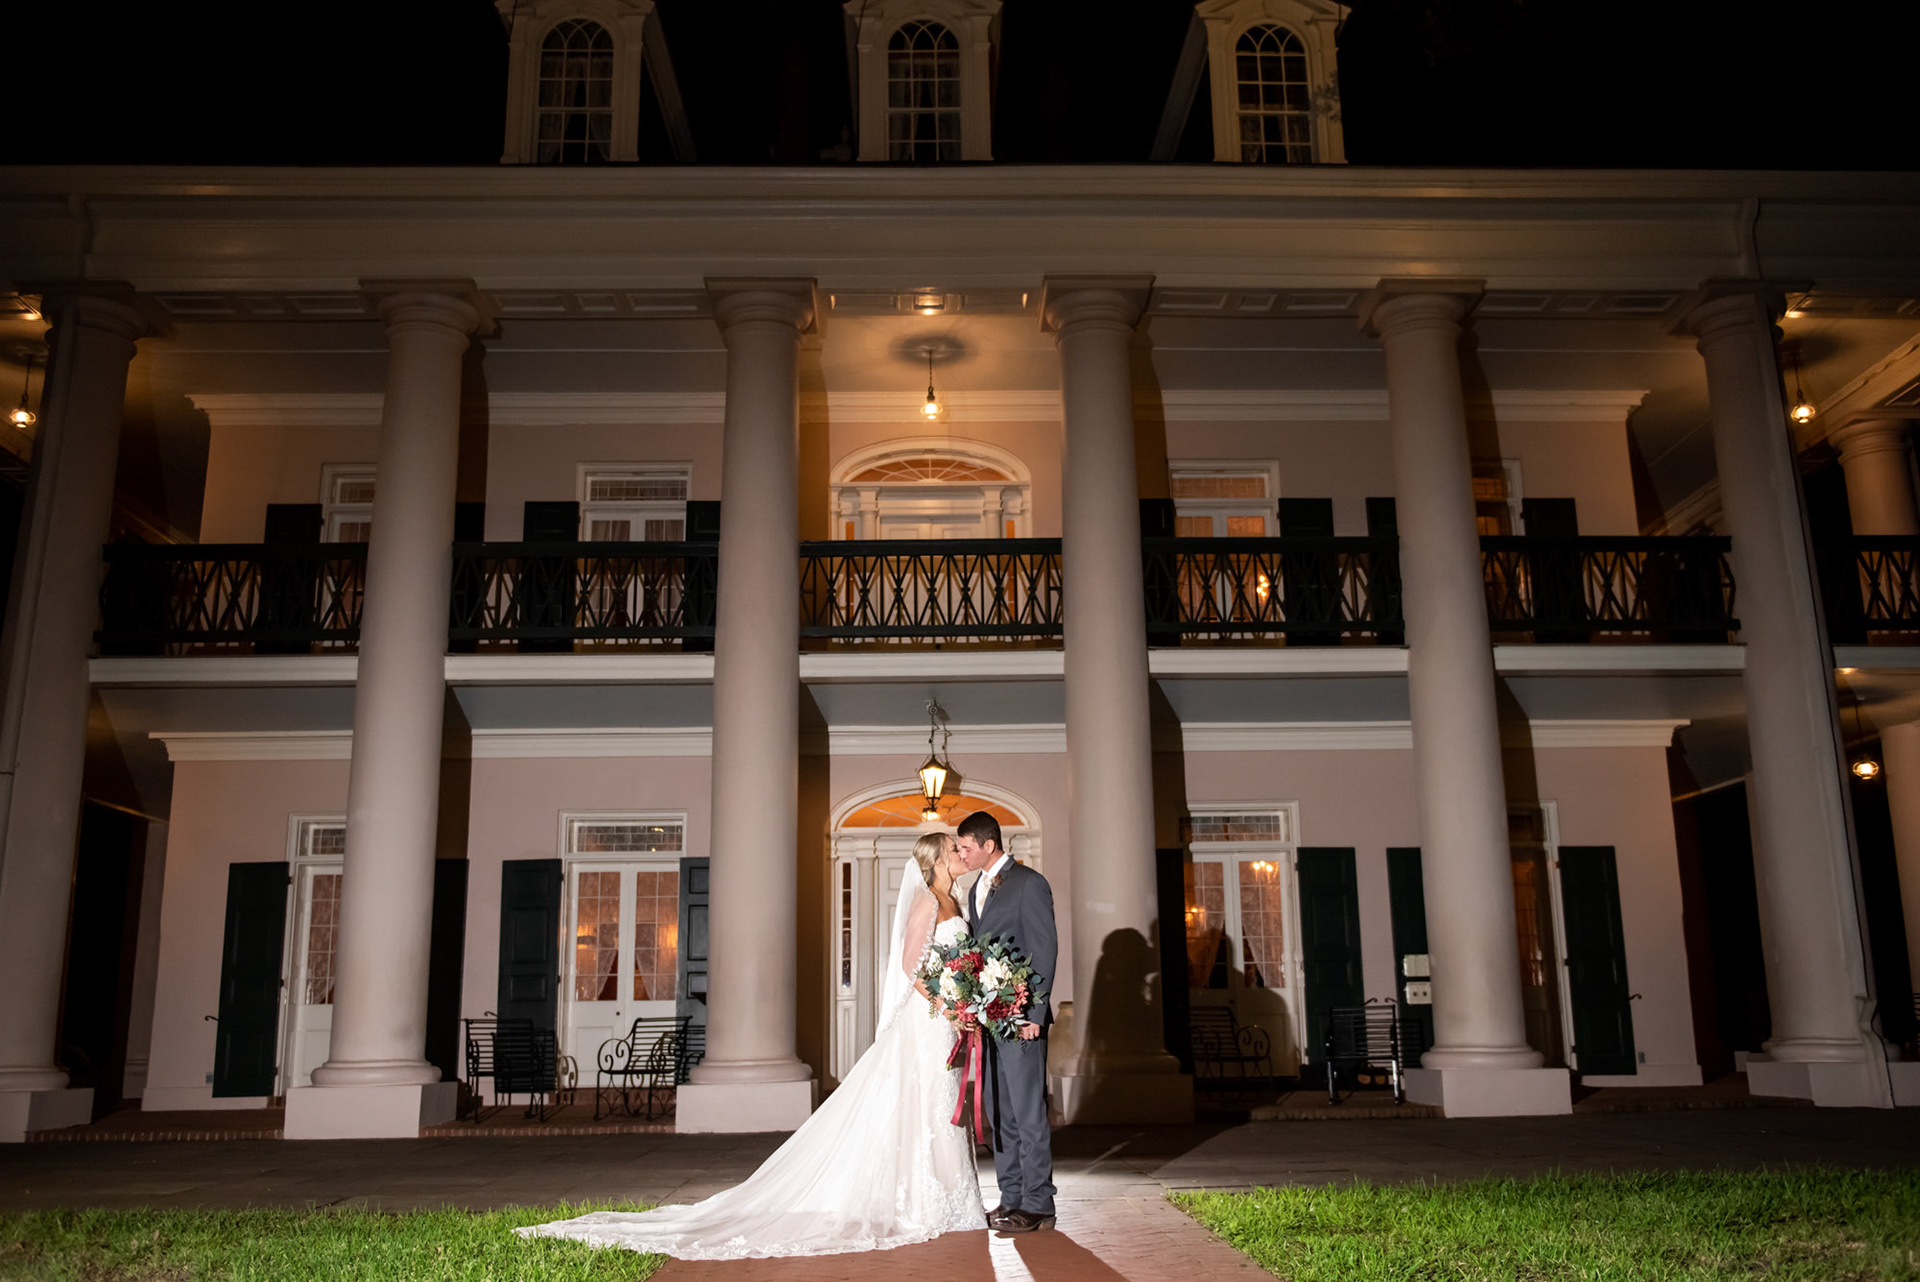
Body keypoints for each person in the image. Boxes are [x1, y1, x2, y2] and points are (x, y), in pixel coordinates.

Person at [516, 832, 985, 1260]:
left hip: (944, 1022)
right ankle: (923, 1201)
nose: (960, 853)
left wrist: (965, 1002)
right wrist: (951, 1004)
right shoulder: (926, 900)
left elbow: (948, 961)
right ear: (938, 858)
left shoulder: (954, 898)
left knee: (939, 1106)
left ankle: (944, 1196)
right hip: (930, 1022)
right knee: (924, 1105)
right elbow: (910, 966)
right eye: (954, 848)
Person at [953, 809, 1057, 1234]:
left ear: (988, 844)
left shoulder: (1029, 883)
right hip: (989, 1021)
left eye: (965, 846)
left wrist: (1033, 1015)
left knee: (1028, 1112)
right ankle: (1011, 1196)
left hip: (1020, 1019)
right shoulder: (978, 886)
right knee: (1001, 1111)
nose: (961, 853)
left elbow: (1043, 950)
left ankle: (1039, 1204)